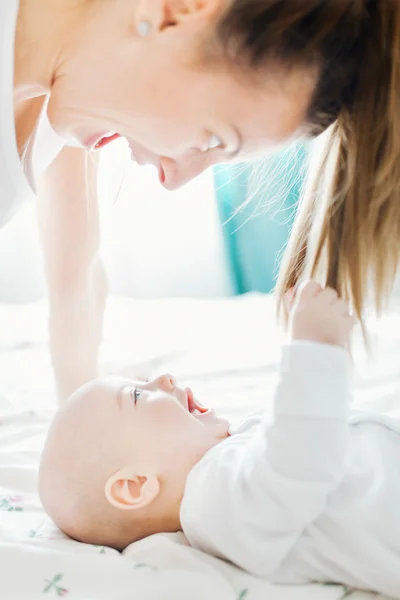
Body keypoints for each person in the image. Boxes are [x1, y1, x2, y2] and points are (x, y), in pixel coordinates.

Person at [5, 1, 398, 401]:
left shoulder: (72, 93)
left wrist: (87, 425)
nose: (172, 179)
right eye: (212, 139)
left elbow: (73, 281)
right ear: (180, 11)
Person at [39, 282, 400, 597]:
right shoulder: (209, 504)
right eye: (137, 395)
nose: (163, 378)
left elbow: (316, 429)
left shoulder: (230, 460)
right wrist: (314, 351)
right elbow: (295, 468)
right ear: (134, 486)